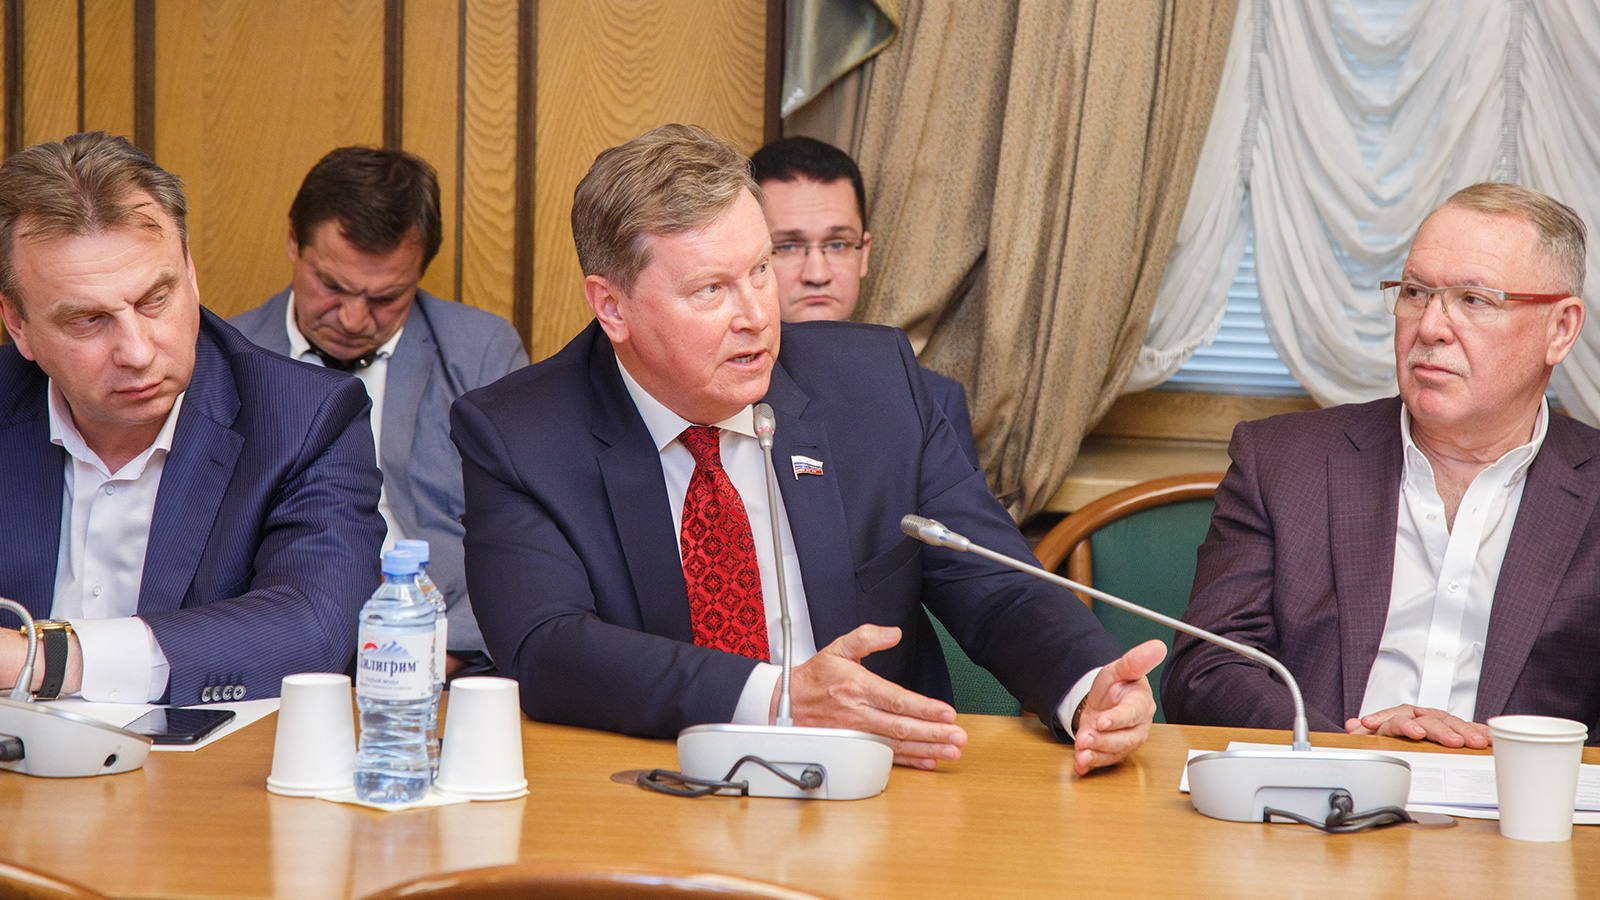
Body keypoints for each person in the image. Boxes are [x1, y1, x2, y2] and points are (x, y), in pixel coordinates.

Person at [453, 124, 1162, 773]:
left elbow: (997, 585)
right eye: (711, 290)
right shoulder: (519, 435)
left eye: (761, 269)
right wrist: (780, 698)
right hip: (651, 790)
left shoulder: (875, 388)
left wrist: (1086, 684)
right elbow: (549, 648)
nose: (757, 314)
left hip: (880, 788)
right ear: (612, 307)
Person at [1162, 182, 1599, 747]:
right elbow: (1206, 670)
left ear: (1560, 329)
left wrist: (1508, 759)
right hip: (1322, 790)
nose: (1430, 327)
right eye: (1415, 292)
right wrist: (1349, 753)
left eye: (1473, 300)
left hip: (1518, 799)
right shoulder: (1281, 462)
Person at [0, 132, 384, 703]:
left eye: (156, 300)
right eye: (88, 321)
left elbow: (315, 628)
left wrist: (49, 659)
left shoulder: (304, 418)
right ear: (18, 324)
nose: (137, 351)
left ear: (192, 275)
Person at [231, 147, 527, 672]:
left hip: (447, 656)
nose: (352, 320)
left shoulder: (481, 353)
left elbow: (524, 539)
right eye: (332, 286)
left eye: (386, 298)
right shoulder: (226, 358)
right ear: (293, 242)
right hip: (273, 657)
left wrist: (440, 656)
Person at [749, 136, 979, 467]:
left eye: (838, 244)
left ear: (864, 253)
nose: (817, 274)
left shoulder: (933, 400)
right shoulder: (728, 392)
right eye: (787, 246)